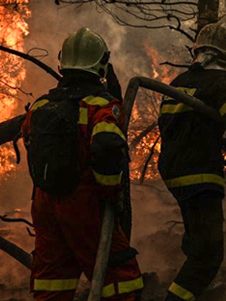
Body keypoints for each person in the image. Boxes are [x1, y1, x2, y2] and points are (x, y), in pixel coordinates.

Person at [22, 28, 143, 301]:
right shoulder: (100, 106)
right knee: (120, 279)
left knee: (53, 282)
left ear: (62, 63)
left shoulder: (40, 105)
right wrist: (110, 192)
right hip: (84, 204)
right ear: (101, 64)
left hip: (44, 204)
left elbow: (29, 141)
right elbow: (107, 146)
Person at [157, 23, 226, 301]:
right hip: (201, 174)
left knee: (198, 243)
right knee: (208, 257)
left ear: (197, 50)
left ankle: (193, 286)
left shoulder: (178, 83)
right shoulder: (222, 82)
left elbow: (172, 128)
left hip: (173, 173)